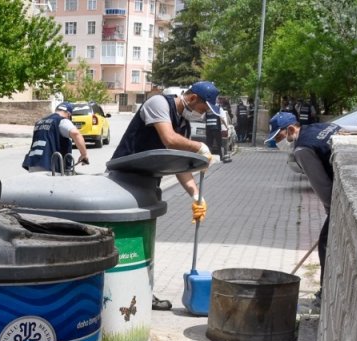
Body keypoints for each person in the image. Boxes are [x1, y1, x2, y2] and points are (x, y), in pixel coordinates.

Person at [111, 81, 222, 311]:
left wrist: (196, 194)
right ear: (192, 99)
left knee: (144, 243)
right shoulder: (158, 103)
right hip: (122, 181)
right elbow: (169, 139)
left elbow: (179, 167)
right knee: (122, 242)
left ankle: (142, 293)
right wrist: (198, 147)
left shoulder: (184, 126)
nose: (203, 115)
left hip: (148, 184)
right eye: (203, 109)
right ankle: (114, 293)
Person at [275, 121, 357, 299]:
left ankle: (326, 294)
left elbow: (324, 188)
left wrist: (333, 214)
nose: (280, 143)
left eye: (280, 137)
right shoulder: (322, 125)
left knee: (326, 242)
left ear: (292, 129)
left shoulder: (302, 149)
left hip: (350, 194)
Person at [22, 101, 90, 173]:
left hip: (33, 164)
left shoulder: (40, 121)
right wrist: (84, 154)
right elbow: (76, 133)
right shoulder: (62, 120)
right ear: (69, 114)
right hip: (49, 166)